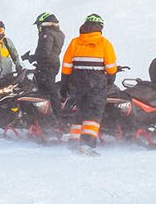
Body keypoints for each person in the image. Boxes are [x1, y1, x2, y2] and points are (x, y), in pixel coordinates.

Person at [60, 13, 118, 152]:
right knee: (93, 113)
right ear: (100, 27)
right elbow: (111, 67)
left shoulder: (75, 42)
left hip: (77, 82)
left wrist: (64, 84)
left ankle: (74, 142)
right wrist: (110, 80)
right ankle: (87, 145)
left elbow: (66, 65)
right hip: (96, 83)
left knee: (80, 111)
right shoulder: (104, 43)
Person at [32, 13, 65, 103]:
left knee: (46, 89)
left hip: (46, 64)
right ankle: (53, 107)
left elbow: (45, 51)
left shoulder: (47, 33)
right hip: (54, 63)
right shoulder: (59, 33)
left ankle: (55, 109)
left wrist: (34, 57)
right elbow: (55, 50)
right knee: (49, 86)